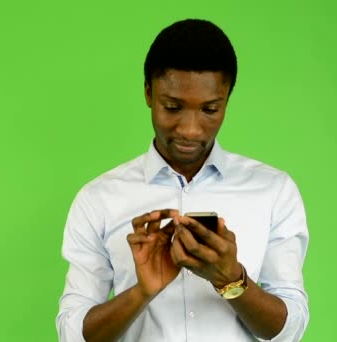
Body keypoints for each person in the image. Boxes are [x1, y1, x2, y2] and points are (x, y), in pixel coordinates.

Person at [56, 18, 309, 342]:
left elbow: (290, 330)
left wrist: (231, 279)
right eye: (173, 107)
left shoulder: (274, 191)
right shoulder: (99, 199)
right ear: (148, 92)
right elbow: (71, 335)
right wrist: (141, 292)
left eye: (210, 110)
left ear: (227, 99)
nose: (190, 129)